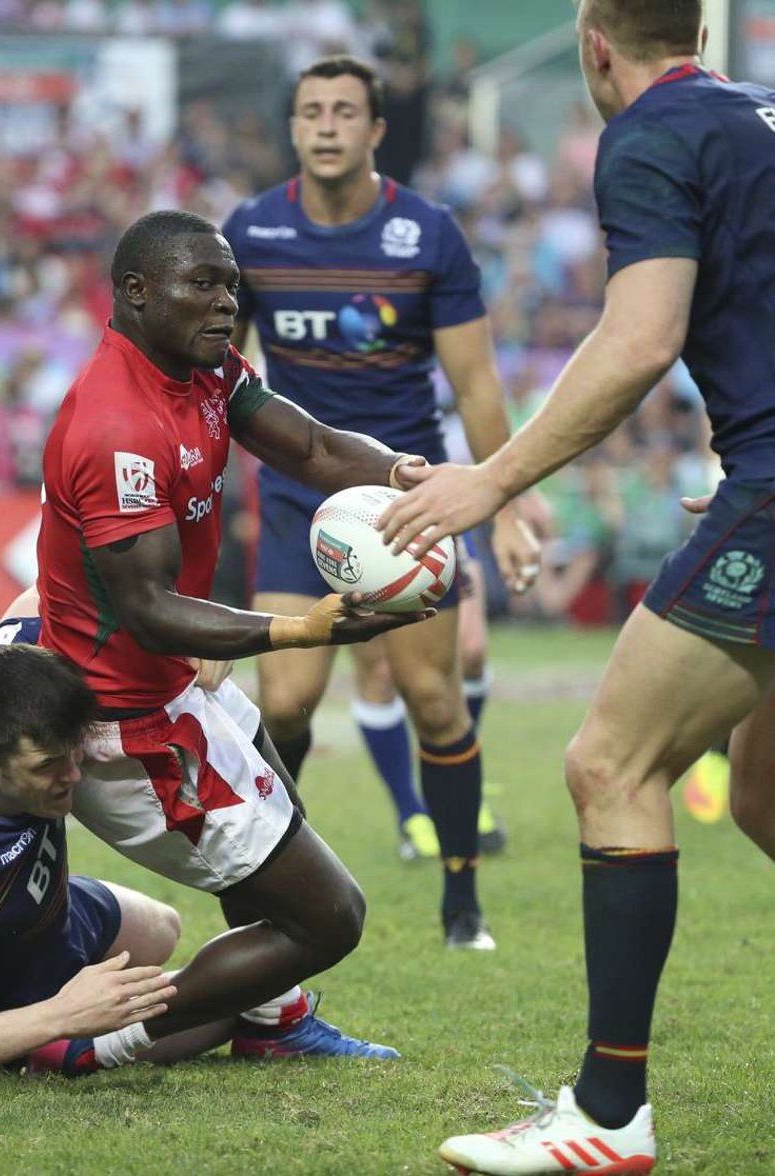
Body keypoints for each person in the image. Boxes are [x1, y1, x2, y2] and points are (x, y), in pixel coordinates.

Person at [377, 2, 775, 1169]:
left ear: (593, 44)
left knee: (610, 763)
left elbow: (639, 336)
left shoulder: (649, 132)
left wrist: (489, 479)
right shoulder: (761, 113)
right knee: (758, 793)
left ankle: (606, 1117)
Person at [37, 206, 438, 1064]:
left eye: (231, 285)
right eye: (204, 285)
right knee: (328, 915)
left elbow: (318, 449)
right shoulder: (117, 426)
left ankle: (272, 1023)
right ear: (137, 293)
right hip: (123, 721)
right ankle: (97, 1045)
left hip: (175, 678)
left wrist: (406, 474)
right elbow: (145, 607)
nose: (226, 303)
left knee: (280, 817)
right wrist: (305, 629)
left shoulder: (204, 368)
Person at [221, 55, 539, 947]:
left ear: (374, 131)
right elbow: (223, 381)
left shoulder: (428, 232)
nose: (326, 124)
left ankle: (461, 897)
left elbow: (475, 386)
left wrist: (503, 506)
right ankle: (276, 885)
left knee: (434, 701)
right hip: (295, 499)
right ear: (294, 129)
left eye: (344, 111)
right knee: (283, 705)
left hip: (412, 497)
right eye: (310, 111)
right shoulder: (252, 232)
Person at [0, 590, 234, 1089]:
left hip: (44, 907)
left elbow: (51, 592)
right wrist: (60, 1014)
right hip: (1, 979)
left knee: (163, 928)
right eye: (49, 766)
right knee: (230, 1007)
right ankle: (45, 1045)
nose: (73, 775)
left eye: (74, 752)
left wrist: (194, 626)